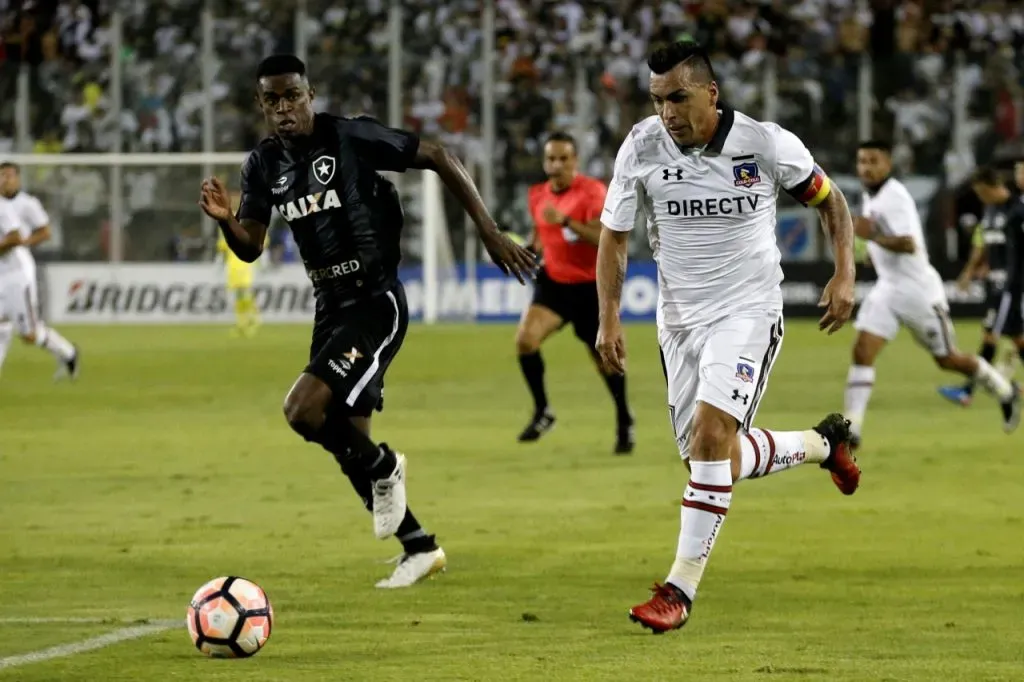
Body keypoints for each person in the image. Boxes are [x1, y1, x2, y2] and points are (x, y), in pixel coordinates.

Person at [198, 55, 536, 589]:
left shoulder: (351, 138)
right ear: (261, 106)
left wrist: (490, 233)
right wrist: (226, 223)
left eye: (293, 96)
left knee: (303, 411)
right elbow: (251, 247)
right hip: (329, 306)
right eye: (273, 100)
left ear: (311, 95)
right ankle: (420, 546)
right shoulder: (261, 166)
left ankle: (385, 468)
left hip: (377, 302)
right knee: (345, 439)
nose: (285, 108)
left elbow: (439, 156)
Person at [594, 41, 860, 634]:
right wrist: (608, 317)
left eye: (678, 98)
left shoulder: (763, 143)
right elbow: (614, 236)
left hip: (747, 311)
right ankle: (824, 444)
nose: (667, 112)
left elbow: (831, 200)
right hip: (679, 322)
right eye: (658, 100)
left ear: (710, 93)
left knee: (711, 438)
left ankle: (679, 591)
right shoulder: (640, 146)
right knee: (715, 459)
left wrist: (845, 271)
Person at [844, 153, 1020, 446]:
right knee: (862, 351)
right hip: (888, 288)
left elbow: (908, 243)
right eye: (861, 162)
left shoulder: (896, 196)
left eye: (872, 162)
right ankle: (853, 428)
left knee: (948, 359)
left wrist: (872, 237)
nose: (865, 169)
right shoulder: (872, 198)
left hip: (919, 291)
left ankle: (1003, 390)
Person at [516, 131, 634, 452]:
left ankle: (624, 419)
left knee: (606, 361)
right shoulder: (537, 195)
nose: (556, 165)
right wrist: (527, 250)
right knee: (525, 341)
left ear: (575, 161)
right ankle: (543, 411)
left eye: (563, 159)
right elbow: (541, 234)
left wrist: (567, 221)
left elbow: (603, 237)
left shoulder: (593, 192)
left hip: (589, 289)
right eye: (551, 159)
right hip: (553, 284)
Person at [939, 163, 1024, 405]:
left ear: (990, 186)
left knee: (990, 334)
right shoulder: (990, 212)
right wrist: (972, 270)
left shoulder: (1017, 210)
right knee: (1017, 338)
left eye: (980, 191)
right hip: (996, 283)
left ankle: (968, 391)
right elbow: (984, 244)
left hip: (1012, 286)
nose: (979, 196)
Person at [0, 162, 79, 381]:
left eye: (9, 176)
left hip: (17, 273)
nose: (5, 180)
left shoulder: (21, 204)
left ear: (18, 179)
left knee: (29, 334)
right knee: (1, 326)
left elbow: (23, 236)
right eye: (1, 176)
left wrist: (25, 242)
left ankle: (68, 353)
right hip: (1, 271)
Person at [216, 190, 261, 337]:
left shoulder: (247, 217)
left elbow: (259, 239)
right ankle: (242, 323)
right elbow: (222, 246)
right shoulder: (224, 219)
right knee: (237, 296)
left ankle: (253, 319)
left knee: (245, 293)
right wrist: (219, 262)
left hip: (244, 262)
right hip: (232, 264)